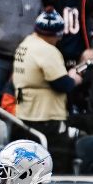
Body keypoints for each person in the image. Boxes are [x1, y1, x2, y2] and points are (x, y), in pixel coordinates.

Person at [12, 11, 83, 172]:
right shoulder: (48, 50)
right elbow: (63, 84)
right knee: (54, 167)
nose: (59, 39)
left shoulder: (26, 43)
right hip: (47, 118)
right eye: (58, 35)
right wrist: (75, 78)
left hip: (26, 114)